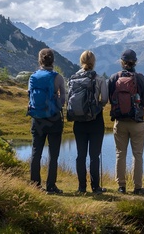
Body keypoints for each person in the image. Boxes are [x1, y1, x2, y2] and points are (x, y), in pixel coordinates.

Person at [108, 49, 144, 195]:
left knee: (120, 153)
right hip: (137, 122)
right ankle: (137, 187)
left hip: (119, 122)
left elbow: (110, 100)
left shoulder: (114, 78)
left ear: (122, 62)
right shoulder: (141, 78)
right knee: (137, 155)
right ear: (135, 62)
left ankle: (121, 186)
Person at [70, 50, 108, 194]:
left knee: (80, 155)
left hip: (78, 121)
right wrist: (96, 106)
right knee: (94, 155)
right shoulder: (99, 79)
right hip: (95, 120)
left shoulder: (73, 78)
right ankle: (96, 187)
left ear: (81, 61)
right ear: (94, 62)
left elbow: (70, 100)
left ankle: (81, 187)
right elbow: (104, 99)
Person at [28, 48, 65, 194]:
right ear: (53, 60)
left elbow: (29, 96)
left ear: (40, 60)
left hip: (37, 119)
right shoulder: (58, 77)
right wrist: (55, 102)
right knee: (53, 153)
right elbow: (63, 100)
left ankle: (35, 185)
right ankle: (51, 185)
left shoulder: (33, 77)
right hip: (53, 119)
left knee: (36, 152)